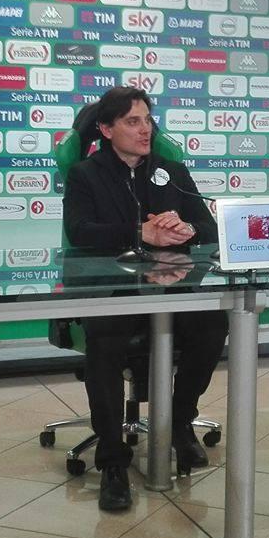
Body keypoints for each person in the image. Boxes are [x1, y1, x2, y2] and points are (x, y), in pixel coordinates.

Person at [62, 86, 228, 512]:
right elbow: (81, 232)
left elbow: (208, 228)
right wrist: (141, 233)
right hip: (112, 292)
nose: (145, 130)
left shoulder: (171, 171)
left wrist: (188, 230)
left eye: (148, 120)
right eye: (132, 121)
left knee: (213, 324)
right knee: (105, 340)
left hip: (170, 289)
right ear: (106, 129)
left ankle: (178, 422)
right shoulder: (85, 174)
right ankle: (113, 463)